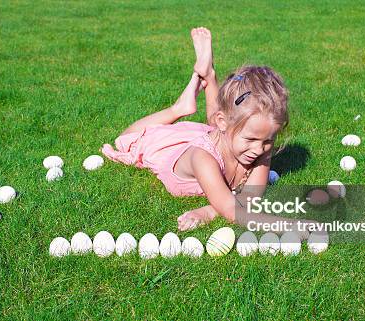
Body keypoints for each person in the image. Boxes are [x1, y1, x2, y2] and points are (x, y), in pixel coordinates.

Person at [102, 27, 293, 232]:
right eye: (251, 140)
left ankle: (209, 75)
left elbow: (250, 198)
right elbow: (231, 209)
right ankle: (179, 107)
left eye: (268, 141)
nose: (258, 150)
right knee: (126, 139)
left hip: (218, 135)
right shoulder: (203, 158)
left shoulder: (258, 145)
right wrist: (290, 226)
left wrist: (209, 211)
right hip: (172, 151)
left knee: (223, 124)